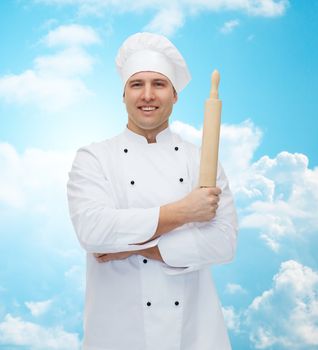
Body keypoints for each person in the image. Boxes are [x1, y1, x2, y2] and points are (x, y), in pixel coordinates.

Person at [67, 32, 238, 350]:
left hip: (195, 335)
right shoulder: (93, 158)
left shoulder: (202, 160)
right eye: (137, 84)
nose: (147, 95)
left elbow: (223, 242)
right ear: (123, 94)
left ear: (175, 95)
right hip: (117, 334)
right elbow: (93, 231)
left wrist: (133, 247)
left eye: (158, 84)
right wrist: (185, 211)